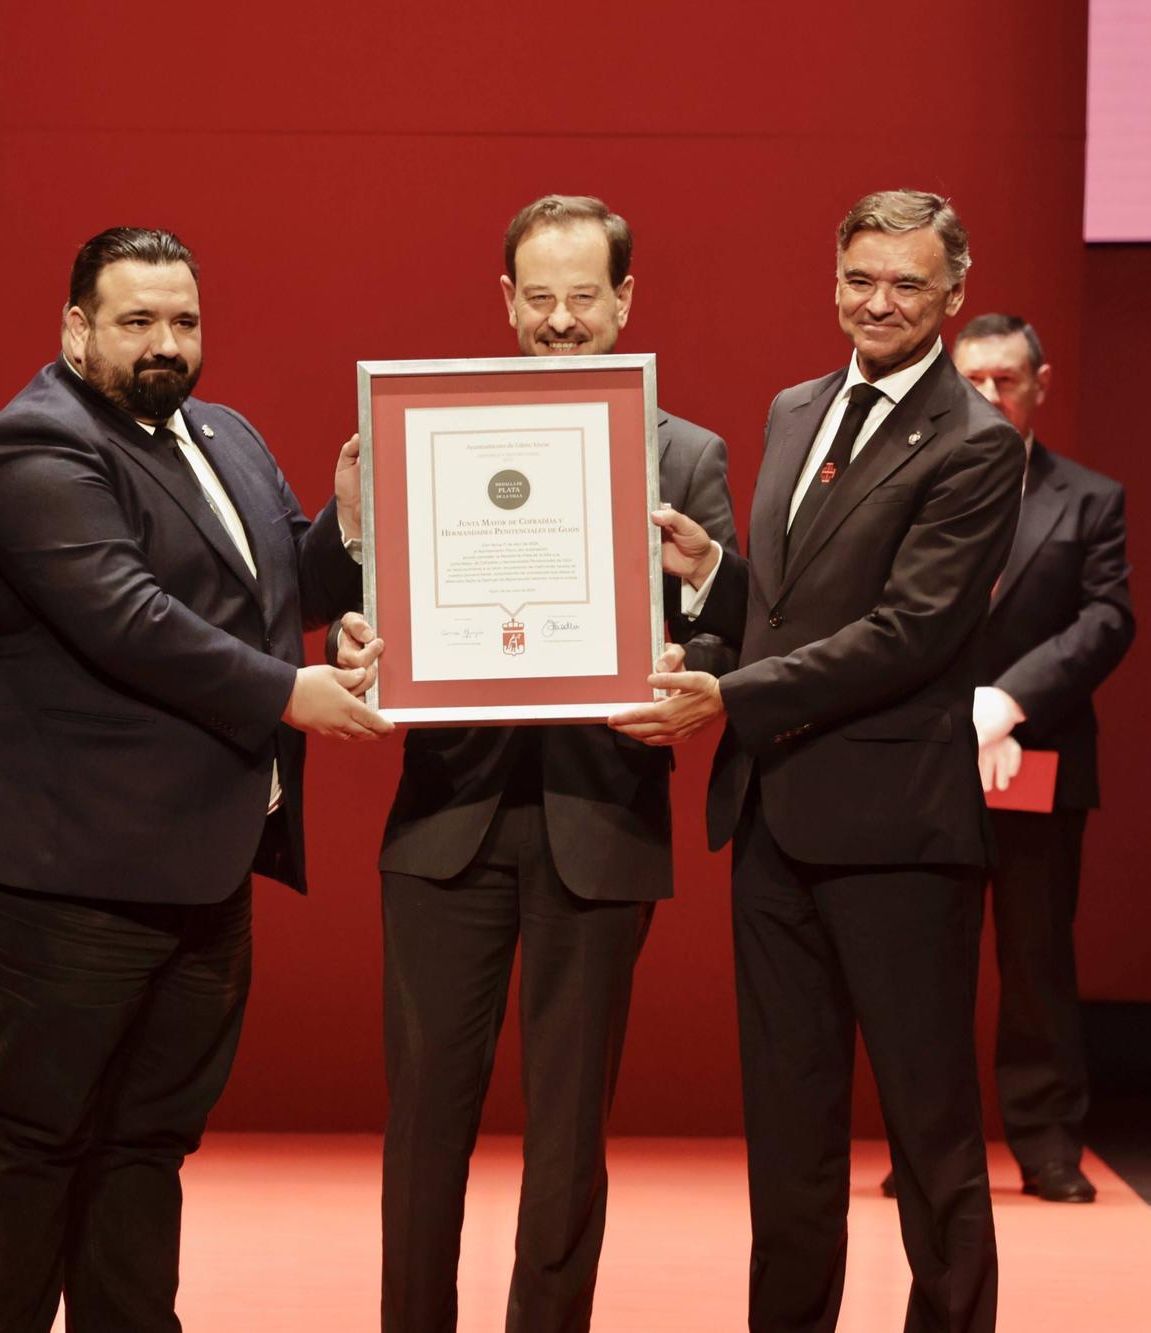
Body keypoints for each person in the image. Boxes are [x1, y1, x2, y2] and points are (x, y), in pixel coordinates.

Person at [0, 226, 390, 1331]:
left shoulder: (221, 433)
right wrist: (291, 693)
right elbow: (129, 619)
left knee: (144, 1147)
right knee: (35, 1144)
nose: (164, 343)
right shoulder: (31, 446)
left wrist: (348, 533)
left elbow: (277, 587)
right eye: (135, 321)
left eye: (181, 319)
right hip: (62, 869)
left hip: (196, 865)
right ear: (76, 328)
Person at [611, 190, 1024, 1333]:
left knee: (930, 1136)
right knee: (786, 1140)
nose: (875, 303)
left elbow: (909, 633)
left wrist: (724, 696)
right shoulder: (795, 409)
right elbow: (794, 613)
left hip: (898, 834)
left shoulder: (978, 445)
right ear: (831, 276)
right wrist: (713, 580)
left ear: (949, 294)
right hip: (774, 824)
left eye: (903, 284)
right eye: (857, 277)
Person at [336, 194, 741, 1333]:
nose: (561, 322)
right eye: (540, 299)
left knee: (568, 1134)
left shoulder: (686, 455)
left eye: (583, 297)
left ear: (624, 300)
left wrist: (689, 646)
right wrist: (358, 624)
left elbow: (727, 634)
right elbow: (359, 617)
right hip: (443, 822)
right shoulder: (432, 429)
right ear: (506, 302)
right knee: (422, 1122)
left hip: (598, 820)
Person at [883, 314, 1131, 1204]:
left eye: (1007, 380)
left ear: (1040, 384)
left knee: (1035, 959)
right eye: (973, 379)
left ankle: (1047, 1141)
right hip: (925, 760)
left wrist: (1008, 700)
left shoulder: (1089, 497)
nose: (989, 396)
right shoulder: (911, 486)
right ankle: (923, 1145)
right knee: (923, 963)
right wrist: (955, 711)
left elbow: (1107, 621)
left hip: (1038, 754)